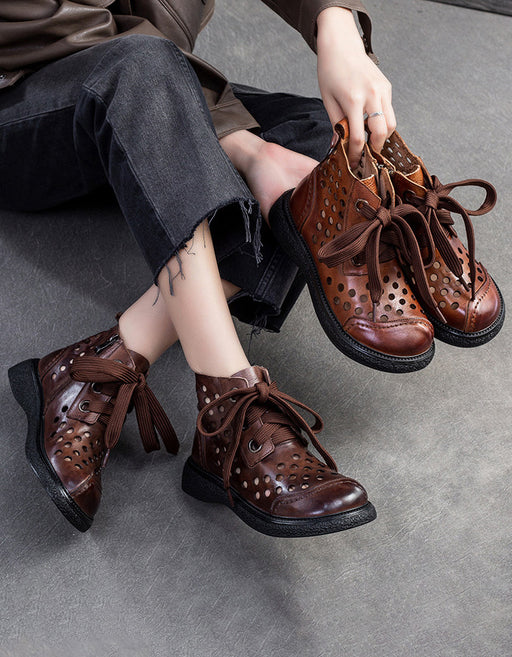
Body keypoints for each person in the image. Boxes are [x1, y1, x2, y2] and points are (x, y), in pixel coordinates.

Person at [0, 1, 503, 537]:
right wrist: (247, 149)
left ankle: (102, 361)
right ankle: (226, 404)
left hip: (150, 82)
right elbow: (81, 42)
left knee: (322, 137)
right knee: (146, 69)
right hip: (29, 101)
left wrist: (336, 25)